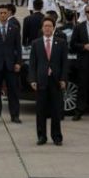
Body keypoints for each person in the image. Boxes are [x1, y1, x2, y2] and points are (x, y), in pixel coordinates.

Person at [28, 17, 68, 146]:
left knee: (56, 110)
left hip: (55, 81)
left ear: (54, 27)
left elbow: (65, 63)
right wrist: (33, 79)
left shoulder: (61, 42)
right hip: (41, 80)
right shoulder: (36, 43)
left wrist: (63, 79)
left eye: (50, 26)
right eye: (45, 26)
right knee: (41, 110)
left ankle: (56, 136)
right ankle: (41, 136)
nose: (47, 28)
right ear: (42, 28)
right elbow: (32, 63)